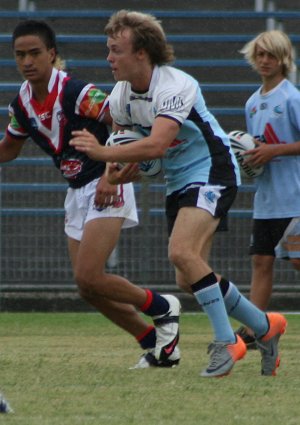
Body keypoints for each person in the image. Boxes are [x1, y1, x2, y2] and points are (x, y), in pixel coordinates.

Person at [70, 10, 288, 377]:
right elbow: (128, 145)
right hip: (178, 180)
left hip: (213, 170)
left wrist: (103, 154)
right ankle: (266, 327)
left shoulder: (175, 85)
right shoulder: (121, 96)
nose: (109, 58)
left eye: (115, 50)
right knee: (188, 278)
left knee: (181, 251)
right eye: (108, 50)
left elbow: (155, 145)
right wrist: (115, 171)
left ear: (142, 53)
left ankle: (227, 343)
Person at [0, 19, 181, 369]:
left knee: (89, 276)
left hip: (106, 182)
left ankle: (163, 307)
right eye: (20, 55)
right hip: (76, 191)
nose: (27, 62)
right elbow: (9, 147)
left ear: (52, 54)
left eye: (35, 53)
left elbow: (120, 122)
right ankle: (156, 345)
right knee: (88, 289)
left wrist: (112, 174)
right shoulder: (20, 105)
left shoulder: (78, 93)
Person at [236, 30, 300, 348]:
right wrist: (250, 160)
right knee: (261, 261)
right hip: (266, 199)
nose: (264, 60)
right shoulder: (251, 103)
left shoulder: (292, 98)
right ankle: (254, 329)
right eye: (260, 54)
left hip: (294, 199)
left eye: (271, 55)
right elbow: (257, 148)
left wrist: (273, 151)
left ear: (283, 59)